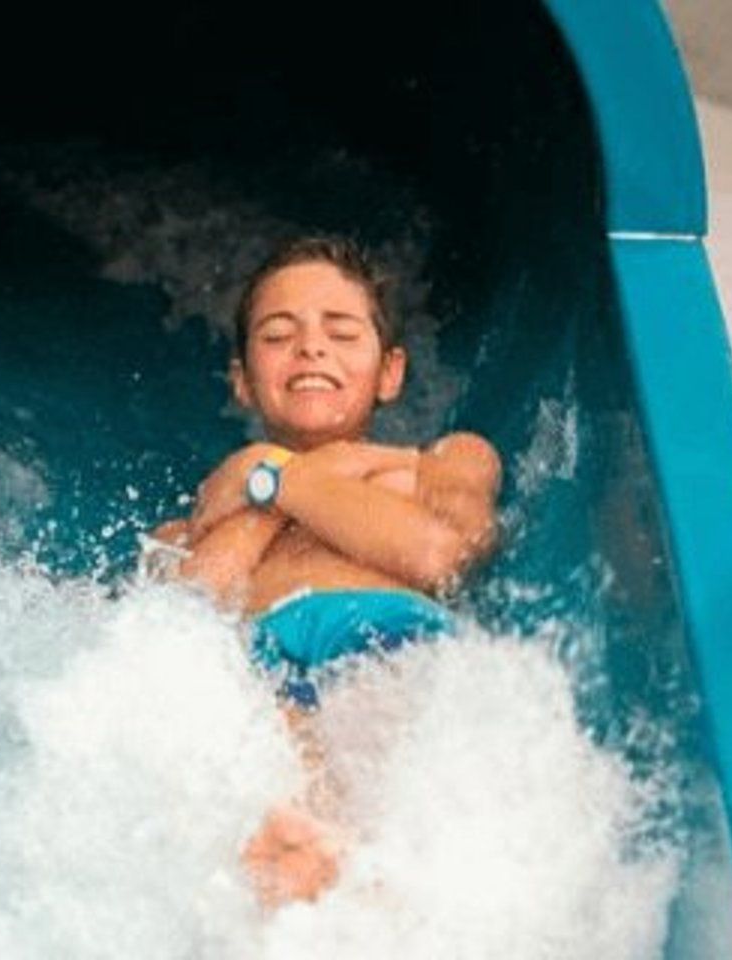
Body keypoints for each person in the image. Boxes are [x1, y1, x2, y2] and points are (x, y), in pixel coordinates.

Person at [142, 234, 502, 909]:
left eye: (341, 333)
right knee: (276, 838)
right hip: (260, 667)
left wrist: (275, 473)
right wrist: (264, 492)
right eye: (279, 335)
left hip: (384, 635)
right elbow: (179, 620)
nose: (311, 348)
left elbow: (440, 555)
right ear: (242, 378)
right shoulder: (193, 523)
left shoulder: (442, 461)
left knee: (368, 799)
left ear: (390, 371)